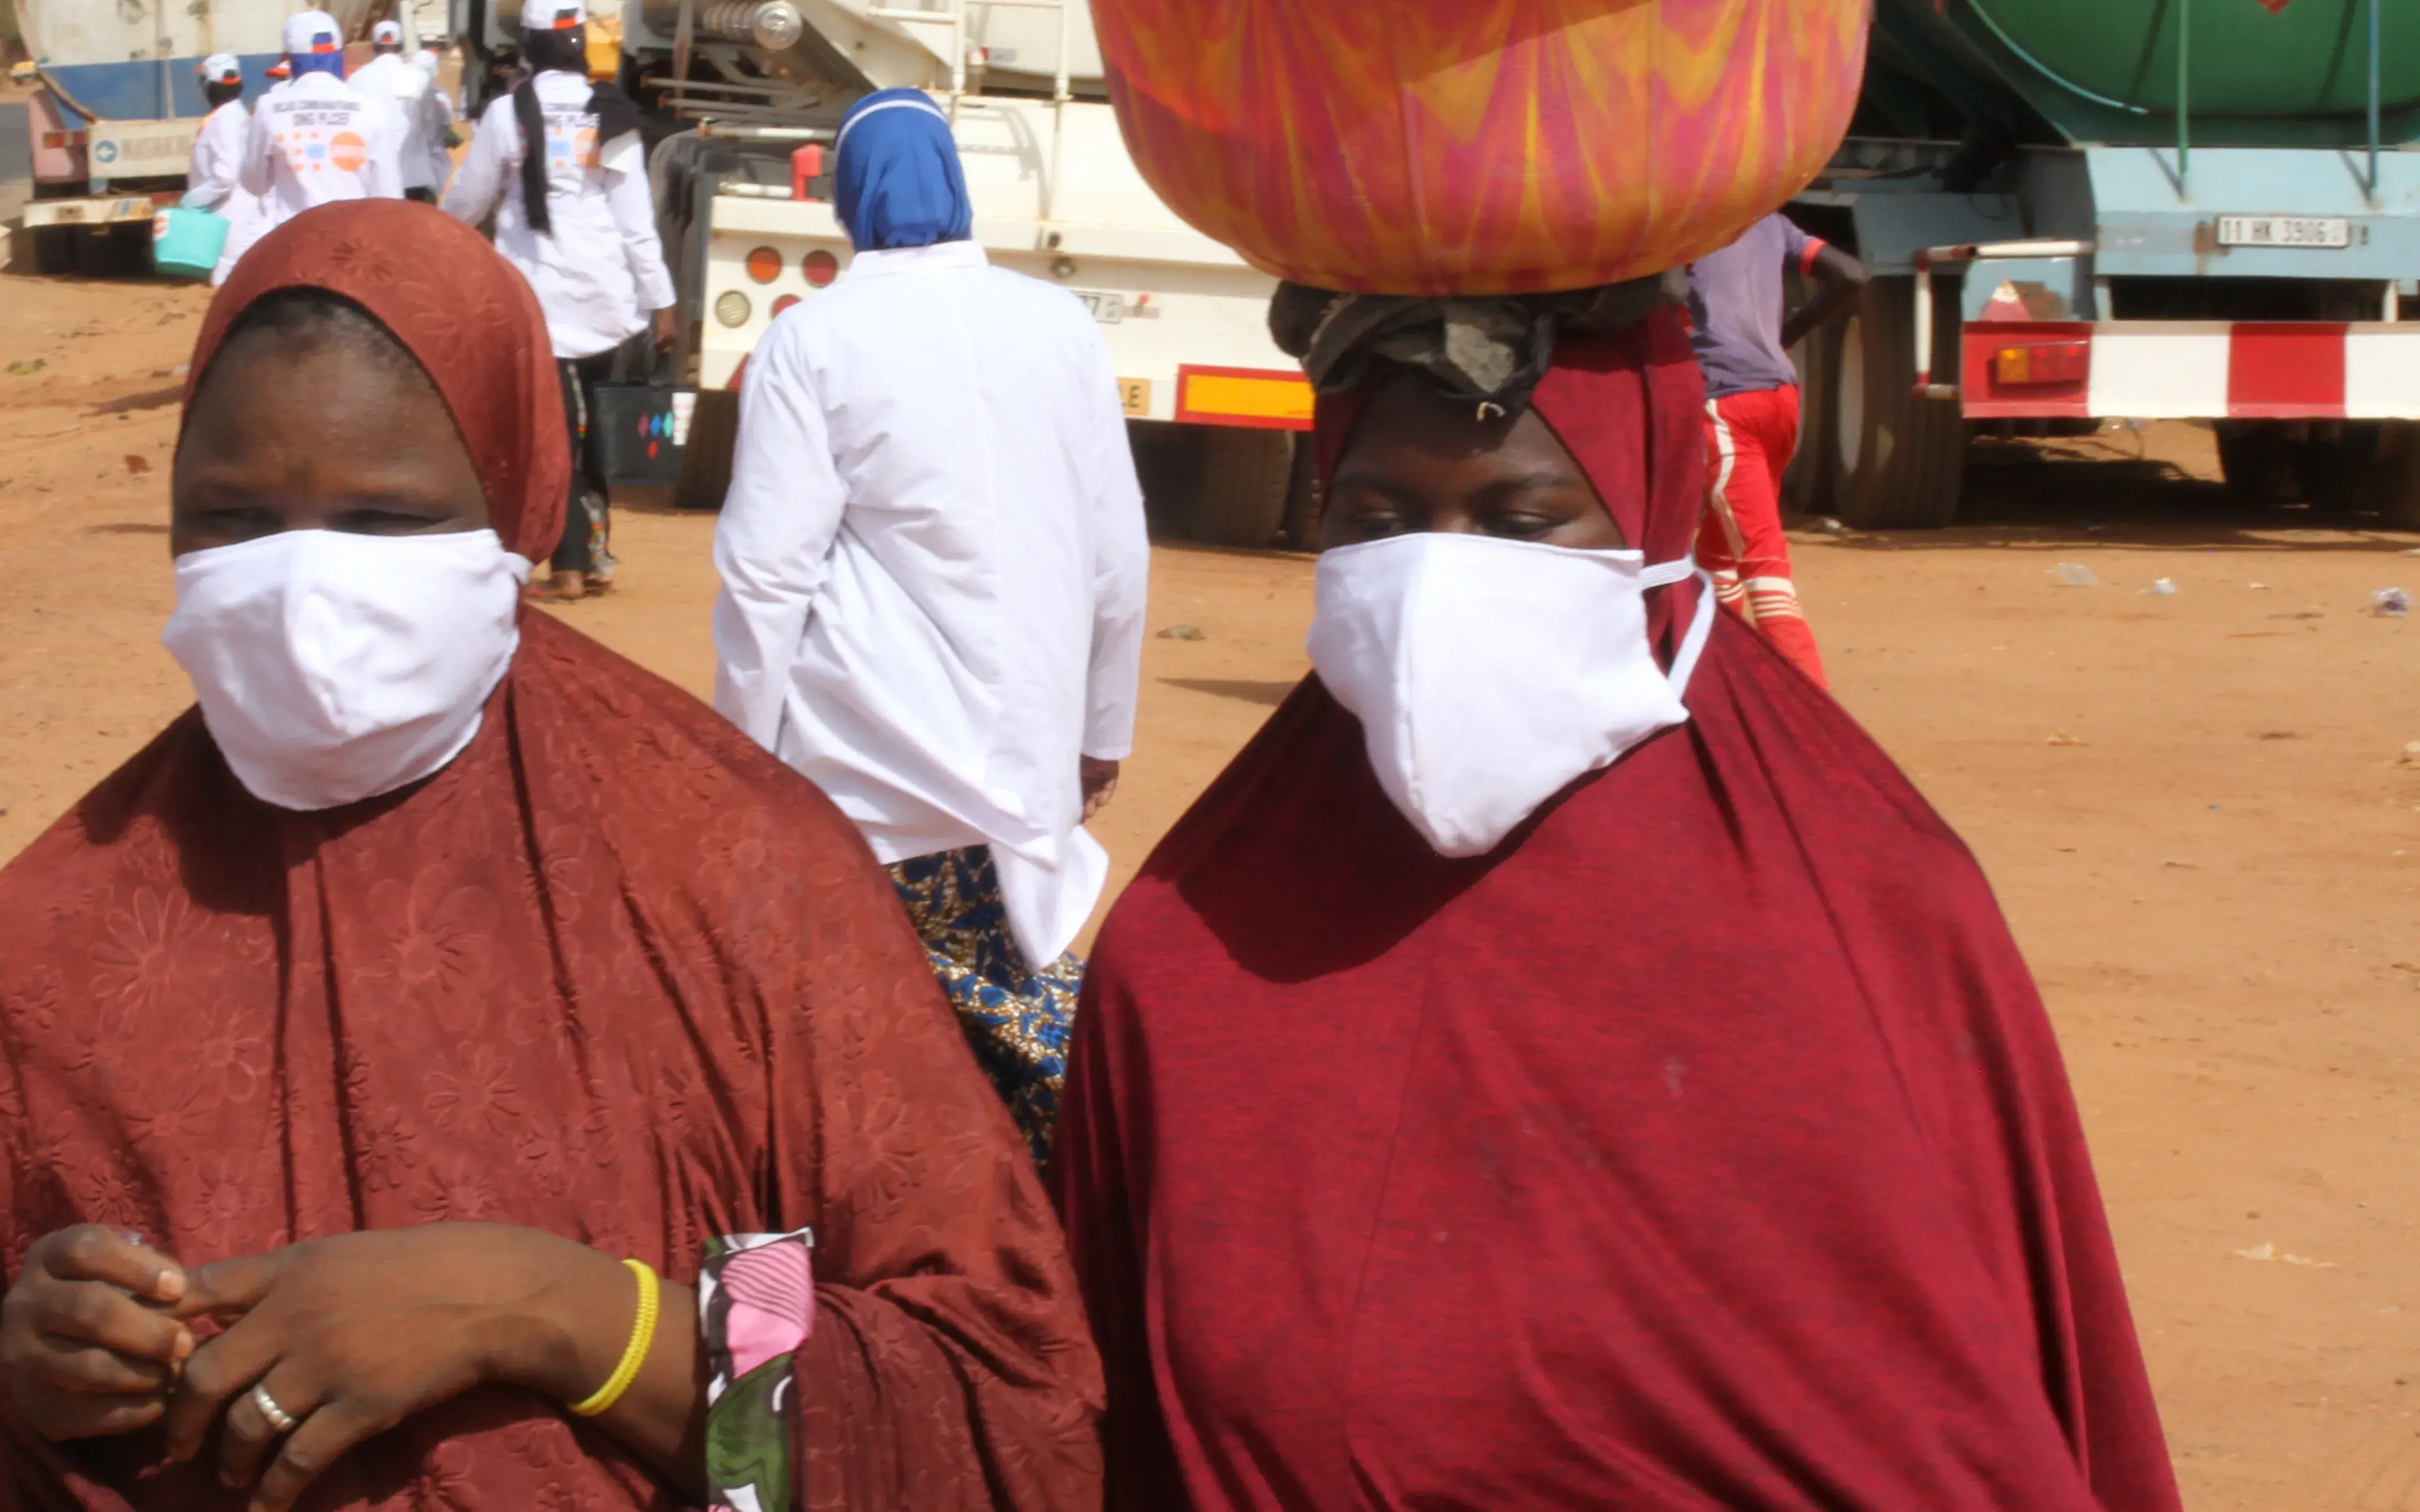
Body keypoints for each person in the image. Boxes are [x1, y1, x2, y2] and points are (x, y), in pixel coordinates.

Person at [0, 201, 1098, 1512]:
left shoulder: (738, 885)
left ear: (519, 504)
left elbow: (981, 1402)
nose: (304, 585)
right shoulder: (52, 945)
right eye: (234, 518)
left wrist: (574, 1318)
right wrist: (18, 1397)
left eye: (383, 521)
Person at [1053, 292, 2180, 1512]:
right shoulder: (1190, 947)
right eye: (1373, 519)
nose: (1442, 576)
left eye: (1522, 520)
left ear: (1654, 524)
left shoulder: (1873, 910)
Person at [711, 91, 1147, 1160]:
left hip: (868, 766)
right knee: (995, 1019)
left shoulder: (811, 340)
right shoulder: (1057, 325)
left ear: (849, 203)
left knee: (867, 1065)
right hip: (1029, 771)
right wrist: (1102, 730)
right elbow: (1115, 553)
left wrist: (735, 761)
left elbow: (765, 575)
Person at [439, 0, 676, 600]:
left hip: (537, 299)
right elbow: (634, 218)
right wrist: (662, 301)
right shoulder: (613, 112)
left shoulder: (505, 114)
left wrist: (437, 231)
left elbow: (473, 199)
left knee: (556, 429)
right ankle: (590, 556)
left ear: (530, 45)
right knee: (592, 428)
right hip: (606, 300)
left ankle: (571, 563)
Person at [1687, 209, 1866, 683]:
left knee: (1764, 569)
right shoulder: (1770, 221)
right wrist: (1787, 335)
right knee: (1720, 552)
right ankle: (1715, 684)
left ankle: (1814, 717)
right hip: (1779, 398)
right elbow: (1850, 275)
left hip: (1723, 401)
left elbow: (1665, 292)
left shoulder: (1684, 221)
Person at [235, 8, 401, 231]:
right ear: (339, 55)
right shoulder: (371, 108)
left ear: (290, 60)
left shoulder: (269, 107)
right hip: (352, 240)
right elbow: (389, 195)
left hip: (292, 240)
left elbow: (253, 184)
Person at [177, 52, 265, 285]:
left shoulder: (225, 121)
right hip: (235, 217)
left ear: (208, 86)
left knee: (230, 288)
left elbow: (225, 176)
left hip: (231, 220)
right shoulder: (234, 116)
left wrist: (193, 199)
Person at [352, 17, 453, 203]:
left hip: (373, 188)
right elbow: (442, 122)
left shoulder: (356, 80)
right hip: (416, 181)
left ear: (374, 47)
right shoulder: (418, 77)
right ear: (401, 47)